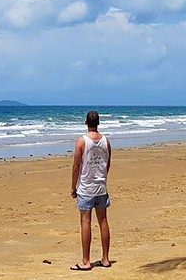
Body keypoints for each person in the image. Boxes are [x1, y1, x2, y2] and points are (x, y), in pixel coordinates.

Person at [70, 110, 112, 271]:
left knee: (85, 222)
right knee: (103, 221)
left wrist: (73, 186)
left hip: (86, 187)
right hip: (101, 187)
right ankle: (106, 259)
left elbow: (76, 166)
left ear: (86, 123)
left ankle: (86, 261)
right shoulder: (106, 141)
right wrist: (102, 177)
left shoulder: (82, 141)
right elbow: (107, 163)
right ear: (98, 123)